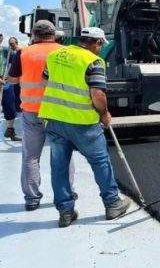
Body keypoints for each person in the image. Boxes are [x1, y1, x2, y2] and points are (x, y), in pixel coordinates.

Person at [39, 27, 130, 227]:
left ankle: (65, 212)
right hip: (83, 123)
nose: (100, 49)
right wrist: (104, 114)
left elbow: (46, 81)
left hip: (54, 120)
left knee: (59, 167)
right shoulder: (93, 61)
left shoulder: (54, 55)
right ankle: (113, 204)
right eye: (100, 45)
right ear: (96, 43)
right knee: (100, 162)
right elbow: (98, 95)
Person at [7, 20, 76, 211]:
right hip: (59, 111)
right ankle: (68, 191)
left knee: (31, 156)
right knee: (63, 154)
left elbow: (12, 79)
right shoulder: (66, 51)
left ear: (34, 35)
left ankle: (32, 198)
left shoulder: (23, 53)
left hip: (31, 111)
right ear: (54, 34)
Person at [0, 33, 21, 141]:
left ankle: (10, 130)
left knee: (10, 106)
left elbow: (20, 53)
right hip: (2, 81)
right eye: (11, 43)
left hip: (6, 83)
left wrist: (14, 46)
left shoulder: (6, 51)